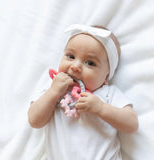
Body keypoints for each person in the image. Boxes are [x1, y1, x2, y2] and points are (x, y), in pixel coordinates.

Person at [28, 24, 138, 160]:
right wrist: (53, 92)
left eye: (90, 63)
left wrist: (101, 108)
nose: (75, 67)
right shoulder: (54, 90)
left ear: (105, 77)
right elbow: (34, 120)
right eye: (70, 56)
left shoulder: (108, 94)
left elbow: (132, 124)